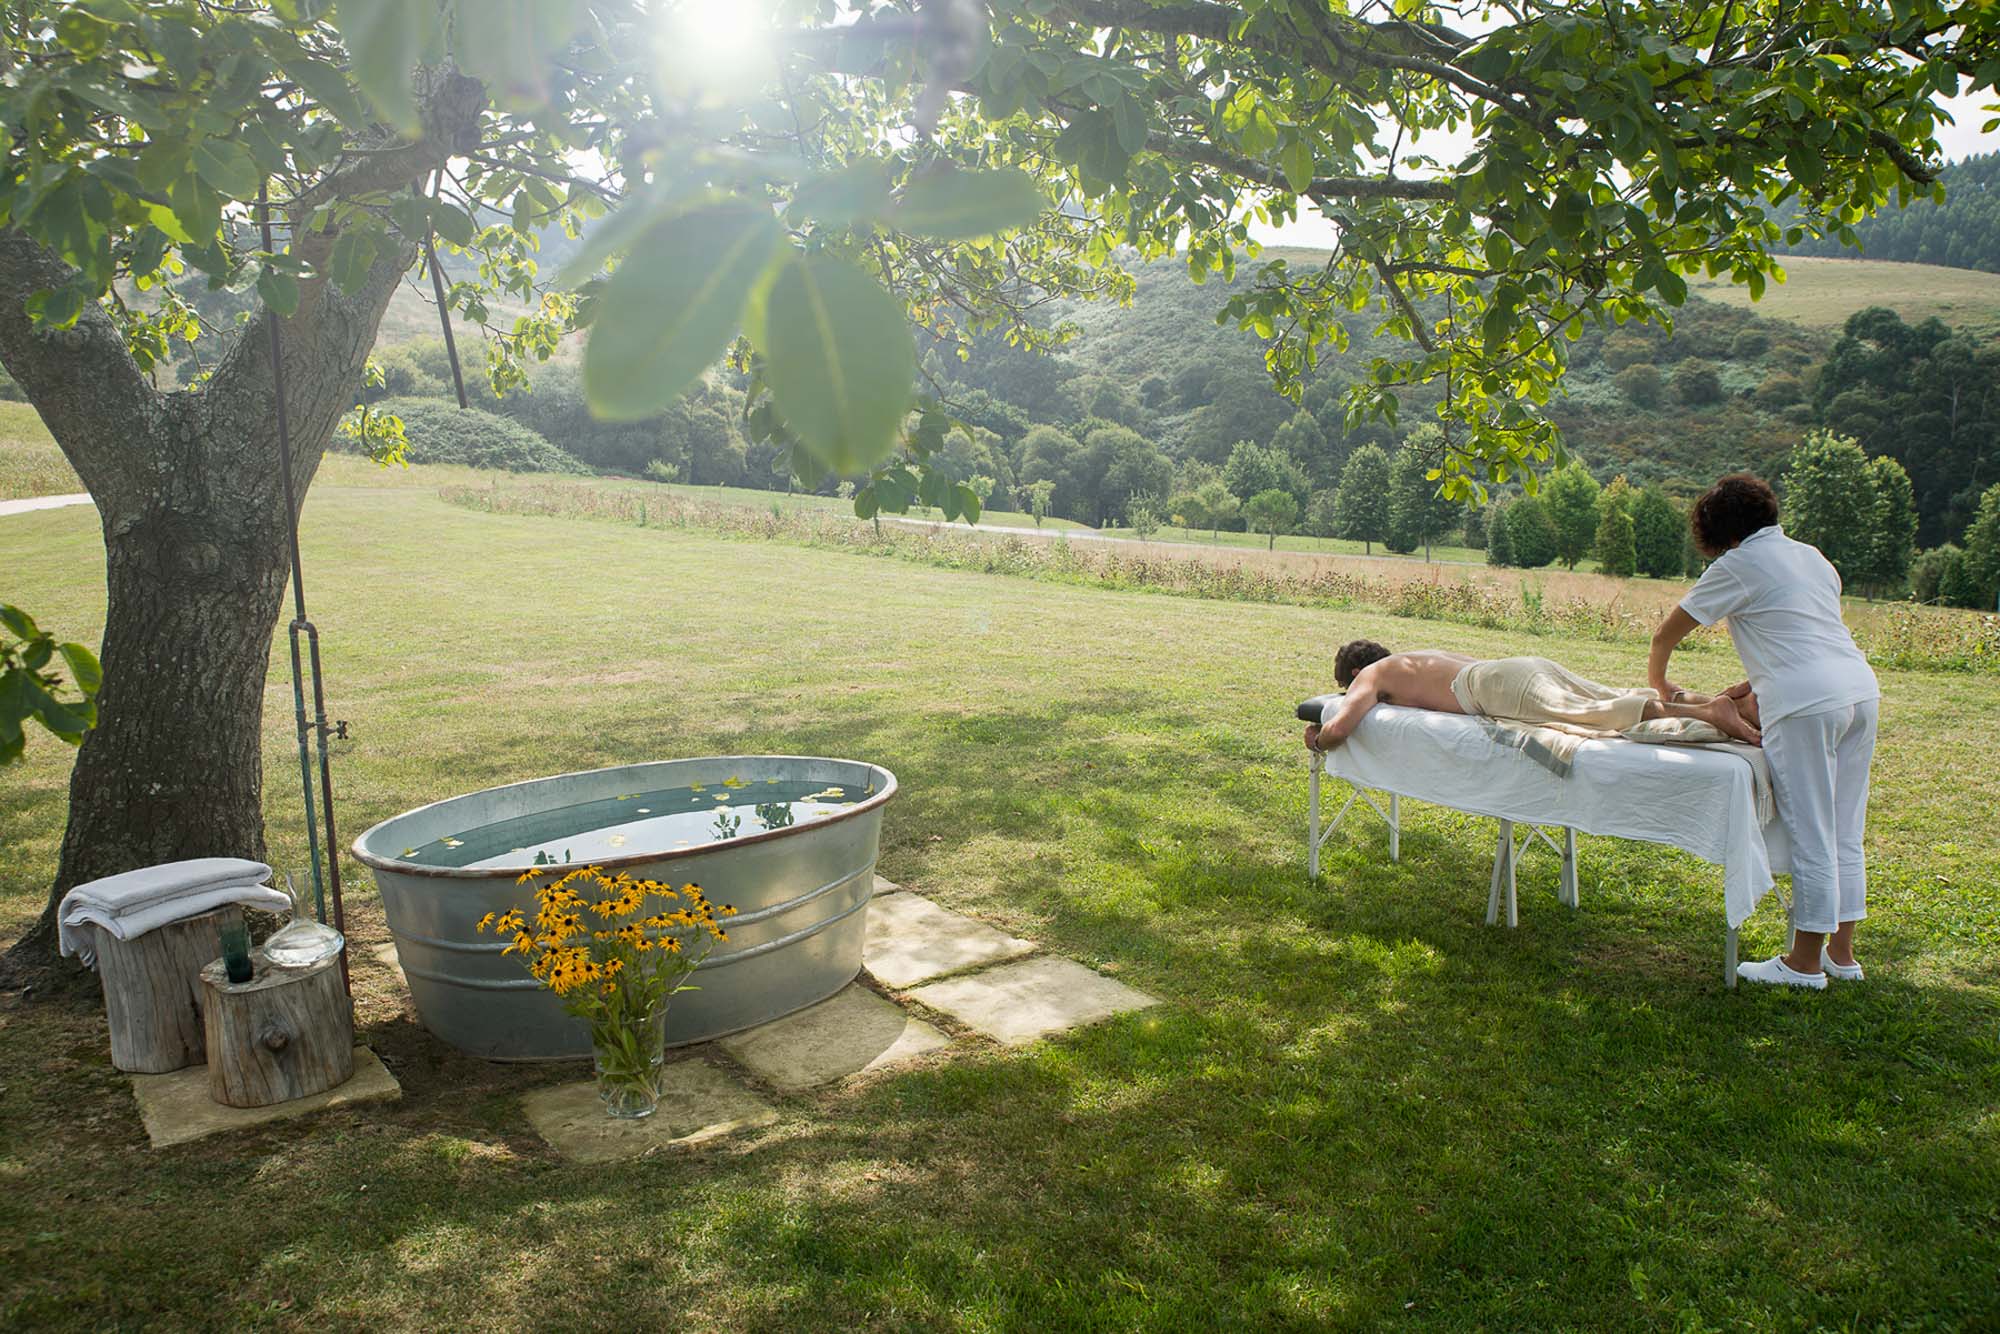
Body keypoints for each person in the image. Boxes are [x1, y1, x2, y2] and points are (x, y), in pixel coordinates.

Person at [1649, 473, 1879, 990]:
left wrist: (1660, 684)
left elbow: (1667, 634)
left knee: (1812, 832)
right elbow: (1804, 629)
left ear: (1721, 531)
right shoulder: (1812, 557)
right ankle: (1842, 955)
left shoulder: (1738, 563)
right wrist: (1758, 680)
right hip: (1860, 692)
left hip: (1805, 706)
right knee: (1846, 828)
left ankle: (1804, 964)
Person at [1302, 639, 1762, 751]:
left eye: (1348, 685)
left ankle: (1714, 713)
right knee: (1611, 694)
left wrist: (1316, 740)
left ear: (1356, 672)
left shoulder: (1372, 676)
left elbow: (1340, 728)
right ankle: (1737, 704)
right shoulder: (1415, 658)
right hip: (1517, 667)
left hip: (1495, 687)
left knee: (1599, 713)